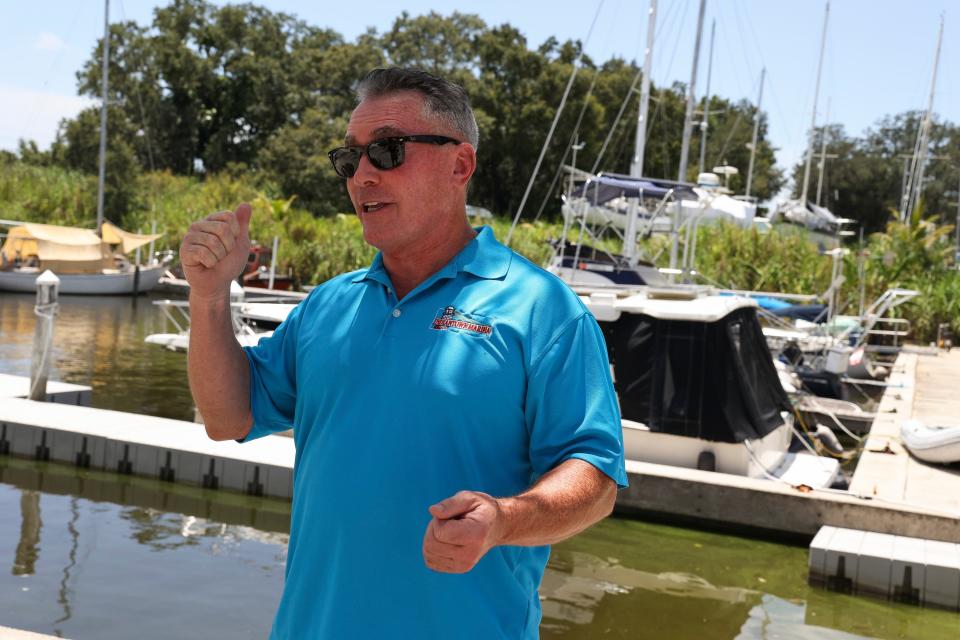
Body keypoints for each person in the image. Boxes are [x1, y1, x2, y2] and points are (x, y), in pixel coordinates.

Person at [180, 67, 627, 639]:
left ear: (459, 165)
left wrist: (502, 520)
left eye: (387, 151)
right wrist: (210, 294)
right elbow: (226, 417)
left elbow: (596, 479)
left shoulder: (543, 309)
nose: (361, 175)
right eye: (351, 158)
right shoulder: (328, 306)